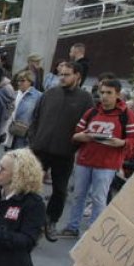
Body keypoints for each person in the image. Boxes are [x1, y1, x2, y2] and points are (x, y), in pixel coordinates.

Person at [59, 79, 134, 238]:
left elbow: (133, 140)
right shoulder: (92, 112)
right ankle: (72, 227)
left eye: (109, 93)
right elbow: (76, 134)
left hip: (107, 165)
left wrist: (121, 142)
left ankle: (93, 232)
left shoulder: (126, 114)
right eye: (102, 92)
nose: (104, 96)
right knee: (79, 195)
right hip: (85, 161)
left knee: (98, 198)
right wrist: (82, 137)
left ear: (117, 94)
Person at [27, 62, 93, 241]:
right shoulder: (50, 93)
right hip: (40, 149)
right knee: (31, 185)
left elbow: (87, 128)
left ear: (77, 76)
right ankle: (28, 219)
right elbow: (36, 118)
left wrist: (73, 147)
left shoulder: (86, 99)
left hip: (64, 153)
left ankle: (51, 221)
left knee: (60, 190)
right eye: (60, 74)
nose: (62, 77)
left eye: (67, 74)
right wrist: (34, 139)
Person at [6, 71, 40, 150]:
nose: (19, 83)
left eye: (23, 81)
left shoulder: (38, 96)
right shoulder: (14, 94)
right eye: (18, 80)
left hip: (25, 135)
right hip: (11, 131)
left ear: (30, 81)